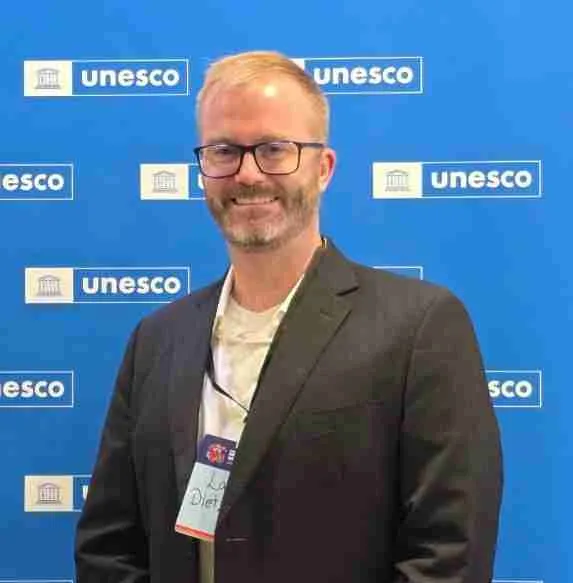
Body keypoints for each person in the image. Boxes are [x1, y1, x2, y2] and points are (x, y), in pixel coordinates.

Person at [75, 50, 503, 583]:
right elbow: (109, 547)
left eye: (275, 149)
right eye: (224, 151)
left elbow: (450, 555)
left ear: (323, 168)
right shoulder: (157, 340)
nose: (248, 173)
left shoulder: (419, 327)